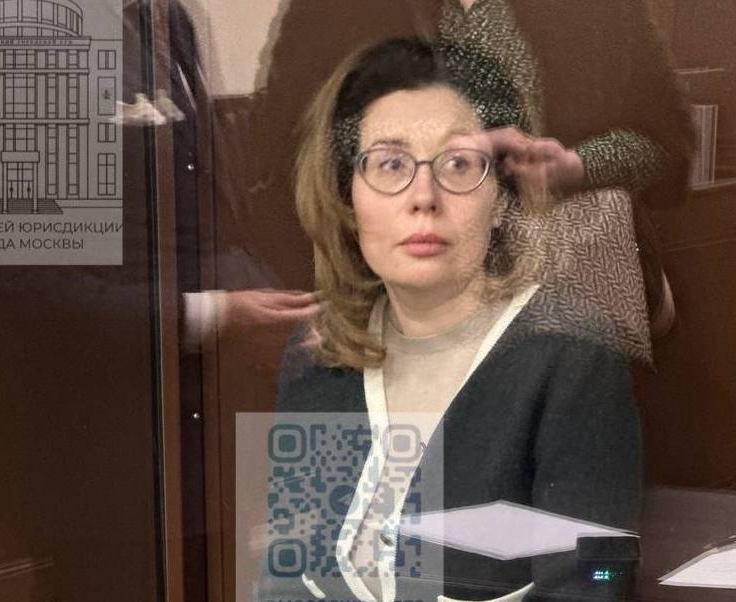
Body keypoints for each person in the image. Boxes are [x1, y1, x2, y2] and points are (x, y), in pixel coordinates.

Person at [257, 37, 641, 602]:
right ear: (346, 197)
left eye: (459, 164)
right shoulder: (321, 350)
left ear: (502, 197)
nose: (424, 197)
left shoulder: (571, 360)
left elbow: (594, 585)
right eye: (390, 164)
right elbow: (287, 576)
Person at [247, 0, 694, 362]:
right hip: (390, 310)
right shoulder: (330, 9)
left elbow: (668, 144)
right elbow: (290, 154)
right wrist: (446, 155)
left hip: (569, 295)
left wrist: (574, 166)